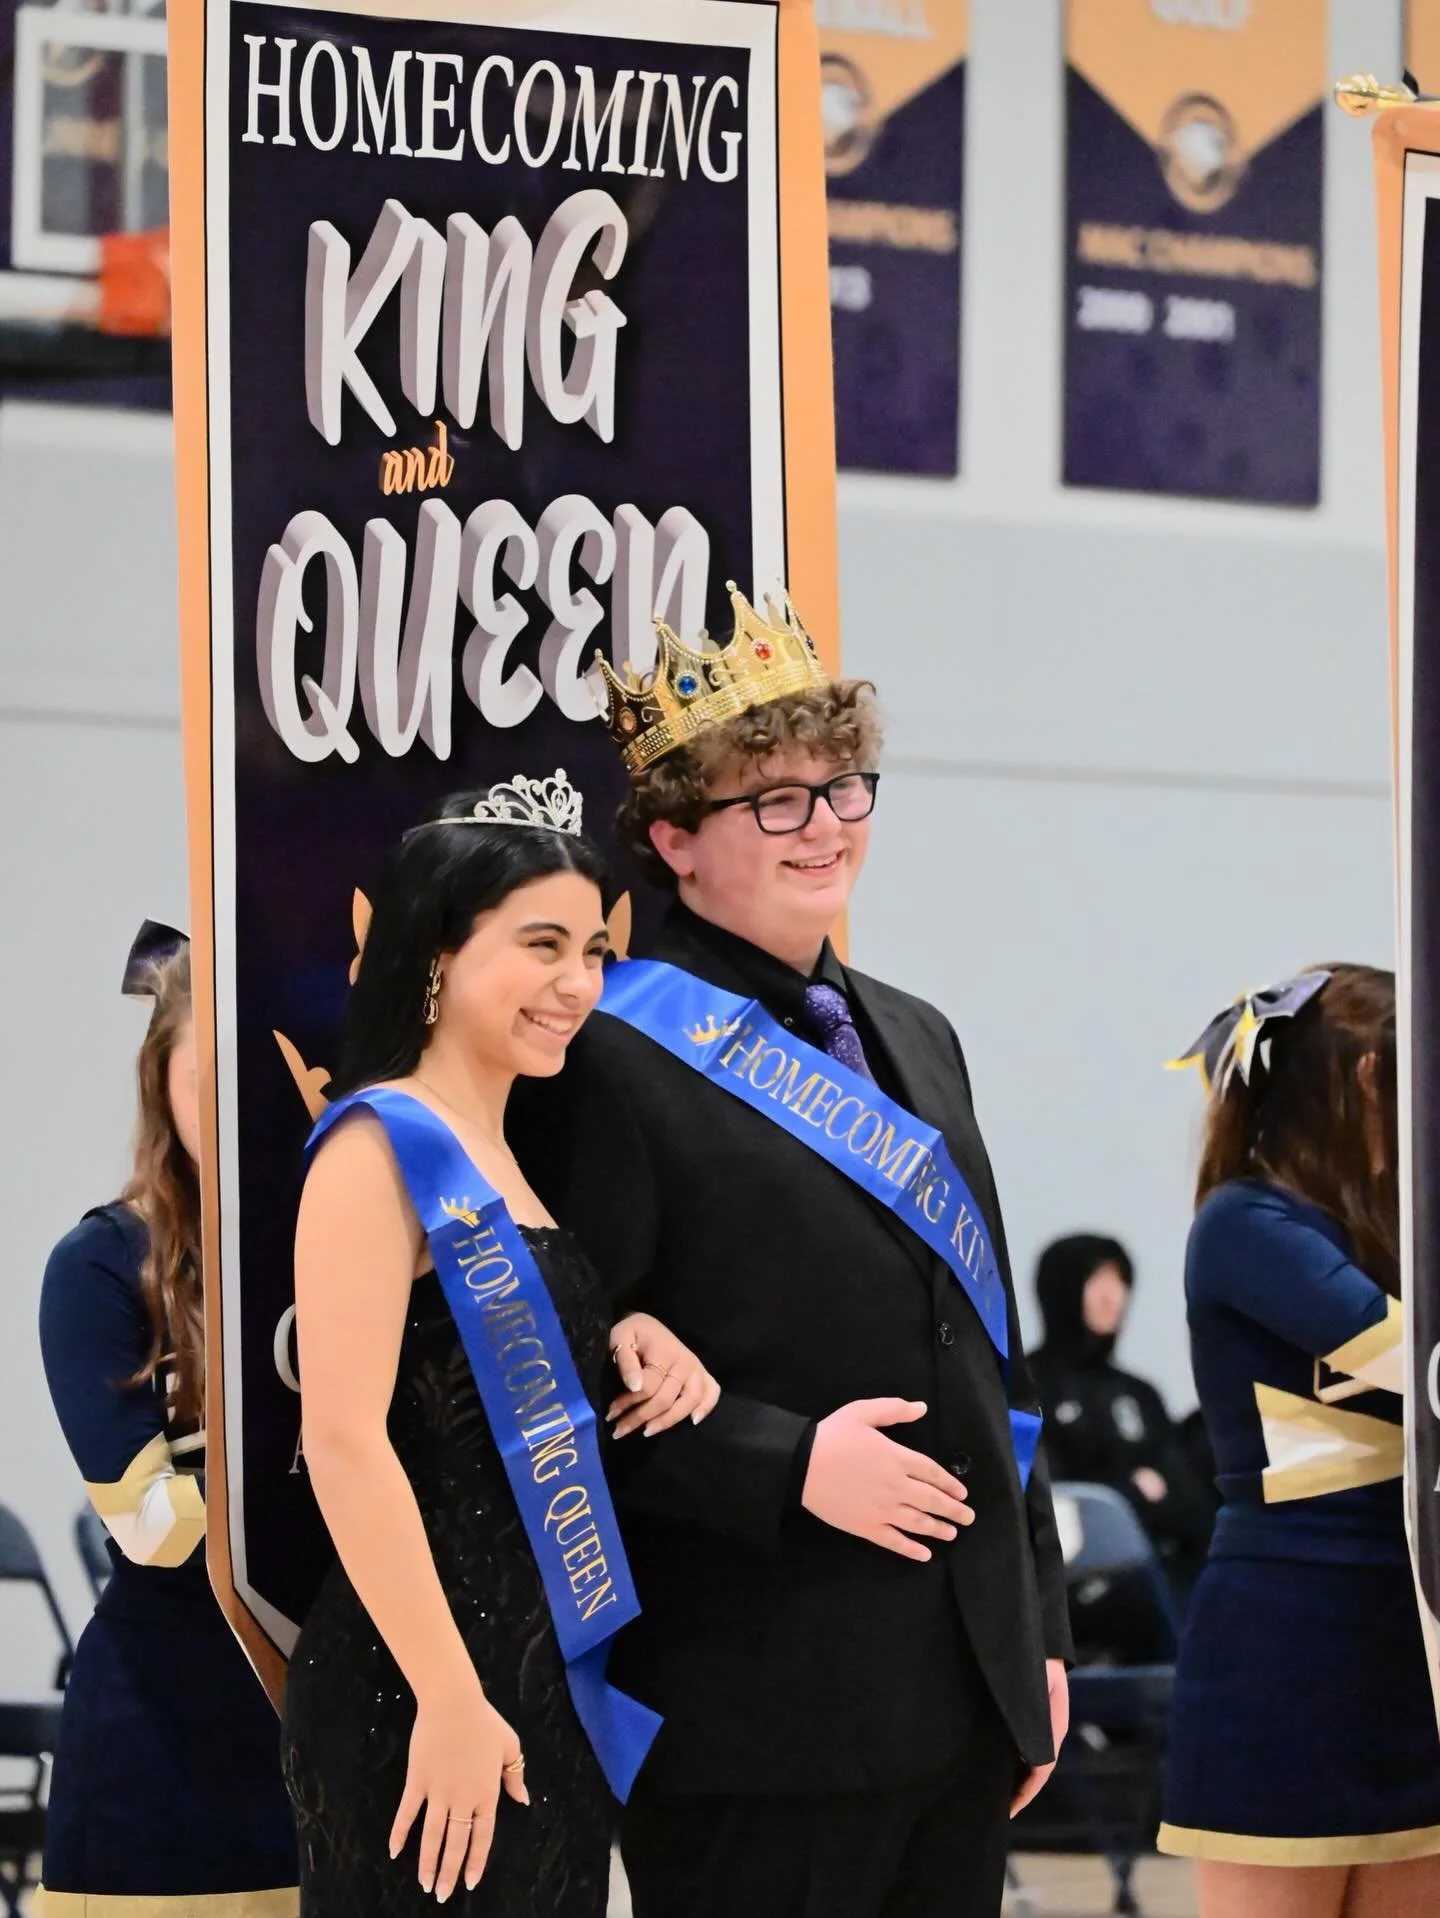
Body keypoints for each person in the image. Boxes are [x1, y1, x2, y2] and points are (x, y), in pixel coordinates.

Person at [509, 585, 1073, 1918]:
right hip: (757, 1702)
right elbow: (555, 1383)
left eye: (844, 786)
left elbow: (990, 1350)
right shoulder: (604, 1054)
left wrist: (1035, 1624)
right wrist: (790, 1461)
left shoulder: (919, 1033)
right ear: (672, 838)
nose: (826, 825)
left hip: (963, 1689)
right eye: (776, 799)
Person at [280, 773, 722, 1916]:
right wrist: (449, 1697)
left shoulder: (513, 1149)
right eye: (540, 945)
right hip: (420, 1695)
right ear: (437, 947)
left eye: (590, 951)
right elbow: (342, 1440)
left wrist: (628, 1332)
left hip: (539, 1686)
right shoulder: (378, 1151)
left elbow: (476, 1366)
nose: (578, 983)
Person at [1159, 966, 1440, 1918]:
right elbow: (1412, 1361)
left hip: (1407, 1637)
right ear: (1363, 1084)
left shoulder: (1396, 1232)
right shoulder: (1247, 1225)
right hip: (1287, 1642)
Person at [36, 925, 300, 1917]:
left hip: (334, 1742)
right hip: (162, 1763)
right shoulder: (101, 1265)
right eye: (212, 1076)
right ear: (162, 1081)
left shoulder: (353, 1249)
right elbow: (152, 1528)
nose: (241, 1108)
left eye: (264, 1072)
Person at [1028, 1233, 1214, 1633]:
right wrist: (1133, 1489)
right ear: (1062, 1288)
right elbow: (1056, 1502)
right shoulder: (1026, 1387)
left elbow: (1190, 1508)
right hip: (1070, 1587)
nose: (1113, 1296)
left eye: (1120, 1281)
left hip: (1161, 1577)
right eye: (1096, 1280)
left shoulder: (1138, 1394)